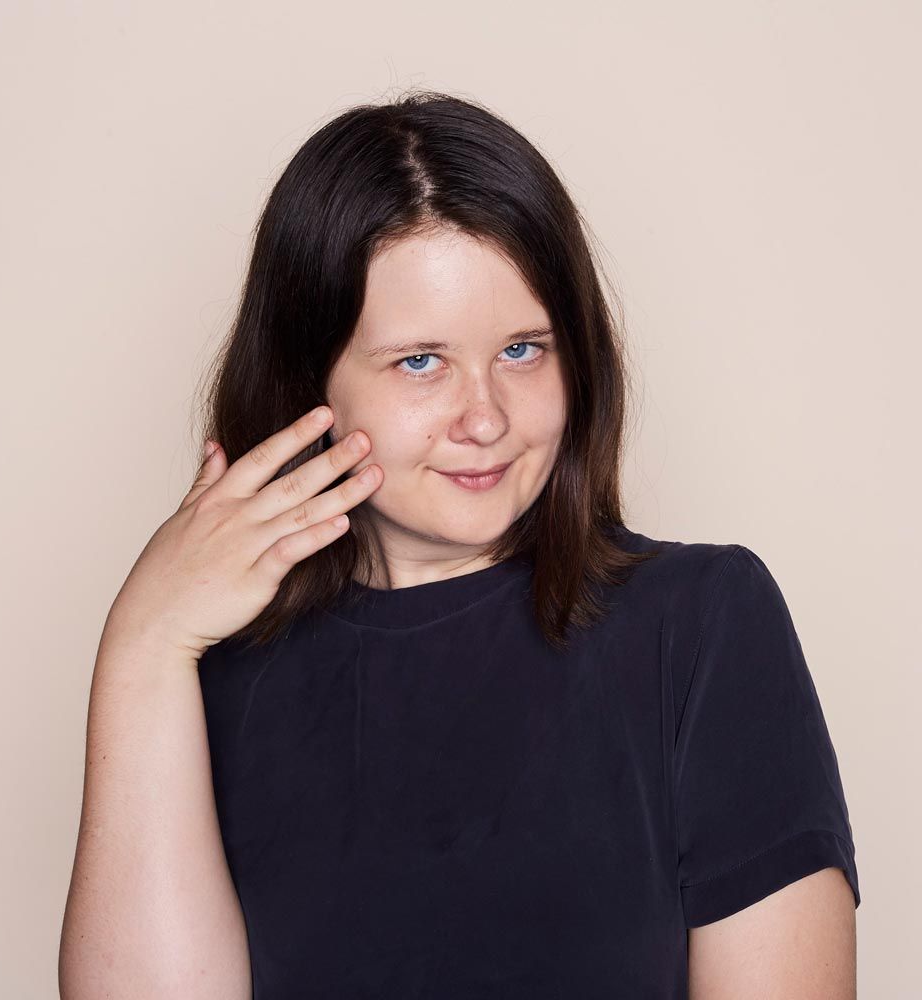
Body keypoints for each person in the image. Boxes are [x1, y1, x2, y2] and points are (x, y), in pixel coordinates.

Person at [59, 91, 860, 999]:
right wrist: (143, 643)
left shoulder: (703, 622)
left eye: (523, 350)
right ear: (309, 384)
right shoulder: (214, 675)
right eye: (420, 362)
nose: (485, 419)